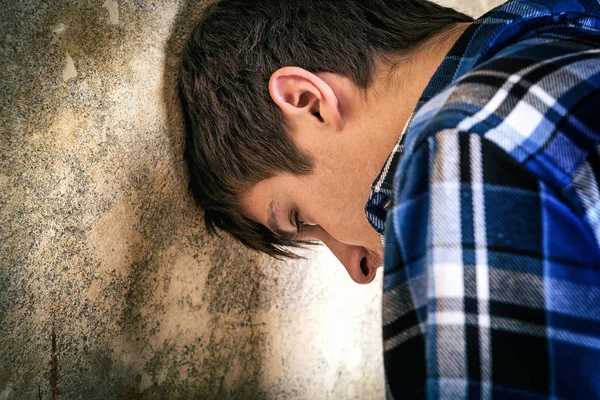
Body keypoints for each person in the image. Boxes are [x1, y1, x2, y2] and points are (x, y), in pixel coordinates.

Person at [178, 0, 600, 398]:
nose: (358, 268)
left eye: (299, 216)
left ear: (307, 102)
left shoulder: (464, 149)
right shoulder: (573, 39)